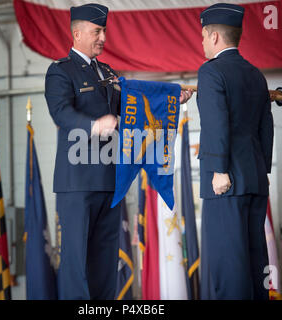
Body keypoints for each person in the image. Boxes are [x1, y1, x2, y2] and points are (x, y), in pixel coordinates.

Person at [45, 3, 192, 300]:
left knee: (104, 261)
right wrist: (94, 125)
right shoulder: (60, 71)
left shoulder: (108, 73)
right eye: (97, 31)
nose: (103, 37)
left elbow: (136, 105)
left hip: (111, 181)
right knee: (76, 262)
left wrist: (173, 98)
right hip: (78, 183)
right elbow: (61, 113)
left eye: (104, 31)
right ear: (77, 33)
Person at [197, 3, 274, 300]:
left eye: (203, 36)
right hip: (254, 180)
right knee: (256, 262)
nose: (202, 43)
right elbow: (266, 127)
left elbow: (216, 122)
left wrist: (218, 170)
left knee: (229, 265)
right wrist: (263, 169)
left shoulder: (211, 71)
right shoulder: (257, 75)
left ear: (213, 36)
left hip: (225, 183)